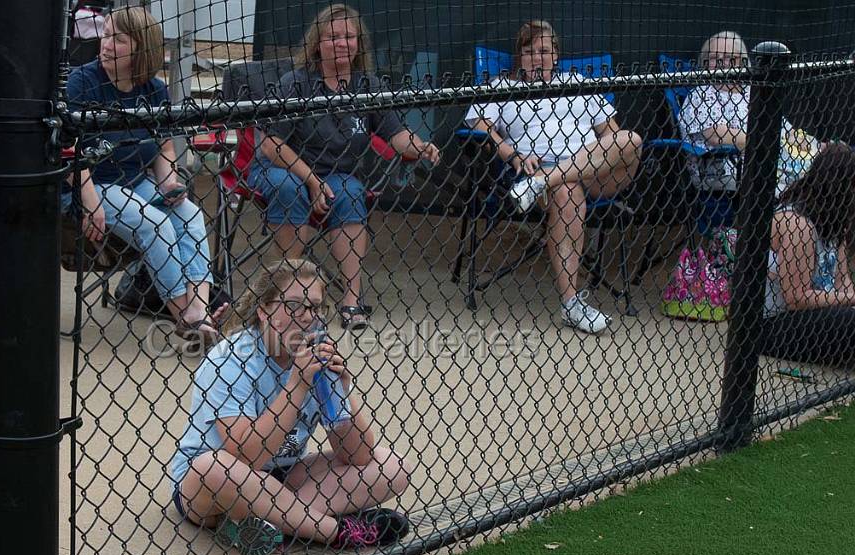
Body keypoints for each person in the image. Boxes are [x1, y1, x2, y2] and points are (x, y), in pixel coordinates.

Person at [169, 259, 411, 555]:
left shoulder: (316, 357)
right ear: (263, 310)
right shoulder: (230, 358)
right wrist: (296, 385)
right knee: (214, 466)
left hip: (284, 476)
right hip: (215, 486)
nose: (307, 317)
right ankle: (334, 532)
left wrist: (343, 393)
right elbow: (247, 457)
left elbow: (357, 456)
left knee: (392, 466)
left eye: (315, 307)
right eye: (294, 305)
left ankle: (261, 524)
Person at [253, 3, 440, 332]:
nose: (342, 42)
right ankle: (285, 295)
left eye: (349, 36)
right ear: (317, 43)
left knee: (352, 192)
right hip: (284, 169)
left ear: (359, 44)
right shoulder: (295, 83)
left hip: (336, 175)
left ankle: (351, 299)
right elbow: (271, 145)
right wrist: (311, 181)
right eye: (333, 36)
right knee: (290, 188)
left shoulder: (368, 86)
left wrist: (420, 146)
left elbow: (397, 135)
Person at [465, 20, 642, 334]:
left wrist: (604, 156)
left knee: (632, 141)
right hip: (541, 169)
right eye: (530, 51)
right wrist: (511, 154)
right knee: (567, 192)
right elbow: (478, 124)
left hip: (595, 171)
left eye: (544, 50)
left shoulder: (577, 82)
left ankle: (544, 182)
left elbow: (612, 135)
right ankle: (572, 304)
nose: (538, 57)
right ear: (519, 56)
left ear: (556, 55)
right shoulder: (503, 87)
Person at [66, 6, 226, 346]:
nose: (106, 44)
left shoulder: (153, 89)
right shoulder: (84, 81)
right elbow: (71, 150)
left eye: (118, 39)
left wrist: (168, 181)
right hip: (92, 182)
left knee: (190, 216)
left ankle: (199, 310)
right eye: (105, 34)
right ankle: (184, 316)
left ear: (141, 48)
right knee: (156, 224)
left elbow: (164, 148)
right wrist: (90, 202)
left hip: (134, 182)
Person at [679, 31, 818, 197]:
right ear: (705, 62)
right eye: (716, 58)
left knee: (827, 160)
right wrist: (770, 144)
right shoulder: (701, 95)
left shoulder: (753, 92)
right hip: (728, 167)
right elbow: (717, 135)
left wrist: (811, 145)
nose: (723, 63)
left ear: (743, 61)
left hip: (775, 158)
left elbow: (785, 130)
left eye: (731, 57)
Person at [761, 143, 855, 366]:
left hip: (820, 315)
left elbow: (844, 281)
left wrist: (849, 297)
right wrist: (850, 299)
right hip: (774, 324)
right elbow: (795, 297)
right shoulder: (797, 223)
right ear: (841, 187)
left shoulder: (835, 222)